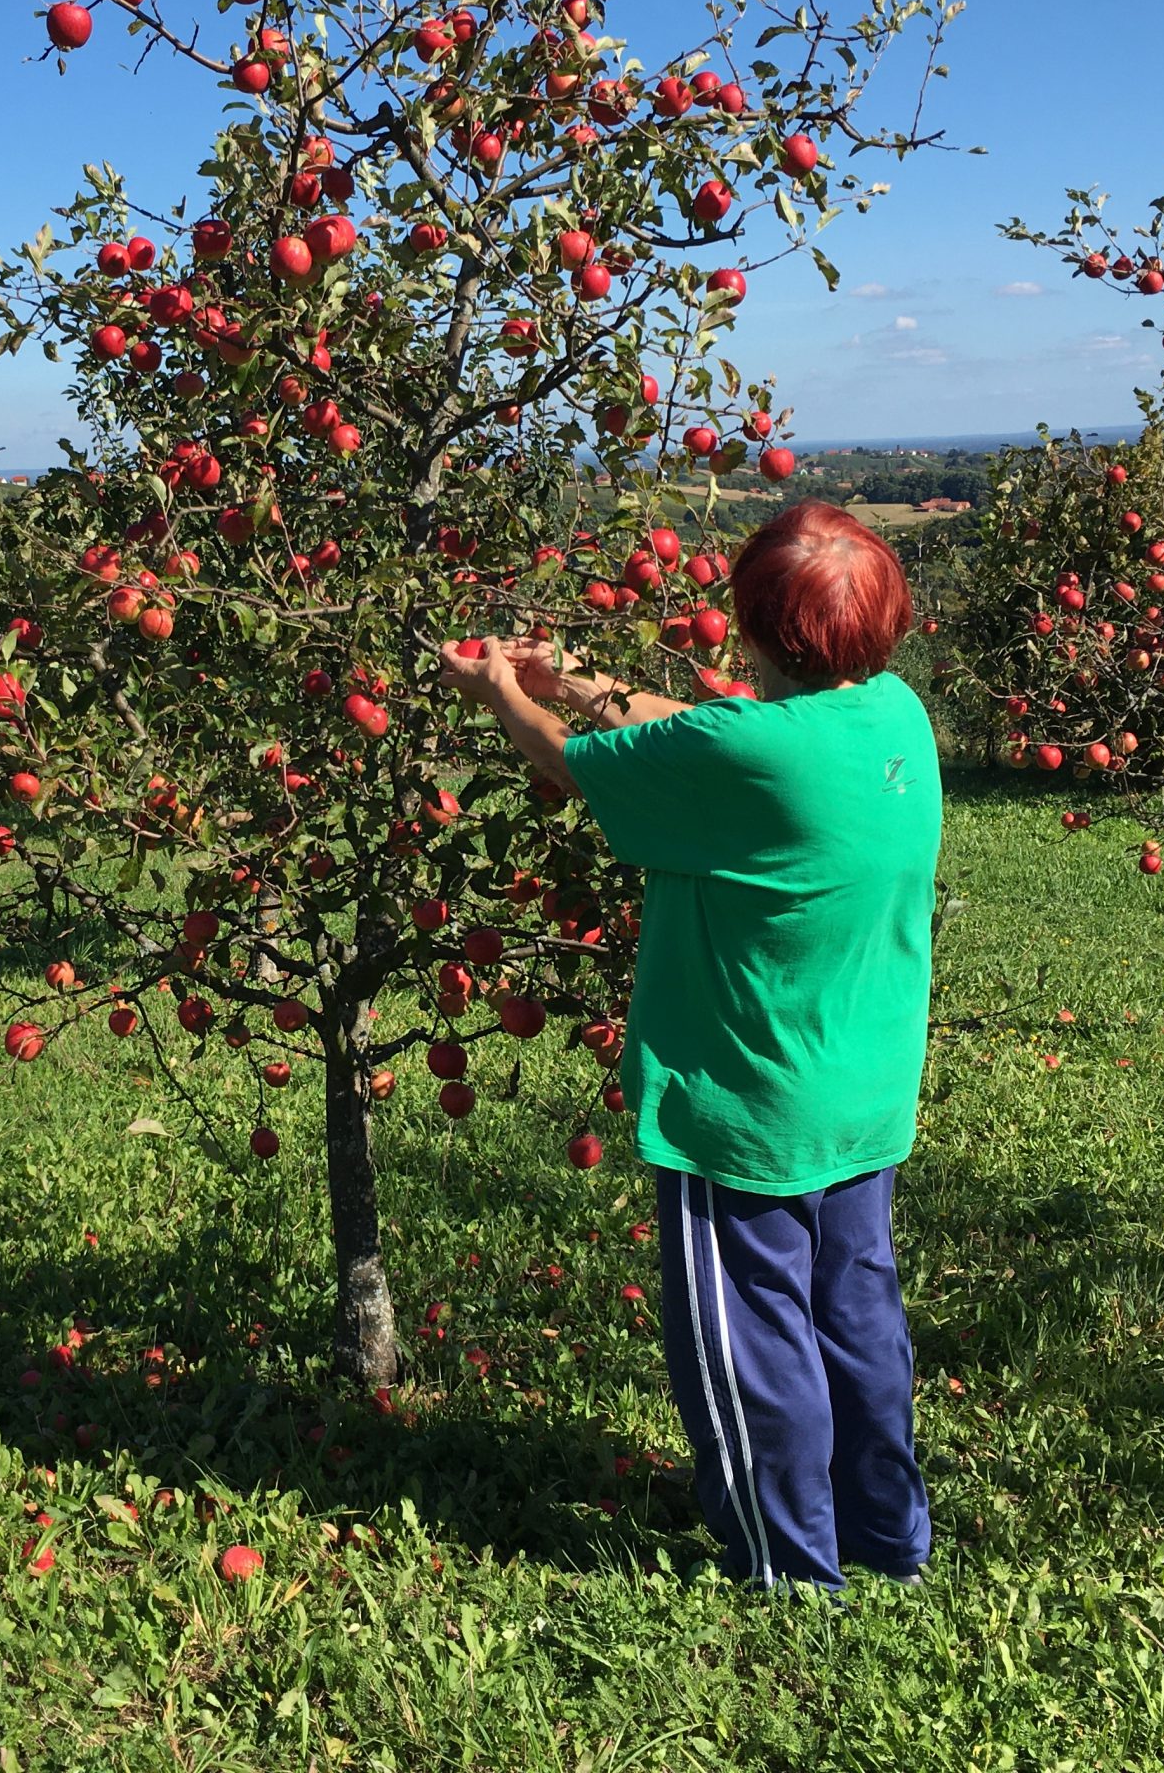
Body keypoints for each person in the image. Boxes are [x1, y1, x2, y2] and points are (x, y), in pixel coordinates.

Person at [440, 501, 941, 1592]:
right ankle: (889, 1540)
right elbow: (711, 733)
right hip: (863, 1094)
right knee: (854, 1318)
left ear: (756, 627)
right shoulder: (895, 718)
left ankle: (790, 1569)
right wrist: (574, 675)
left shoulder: (748, 745)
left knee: (753, 1343)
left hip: (749, 1107)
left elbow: (580, 769)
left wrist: (506, 698)